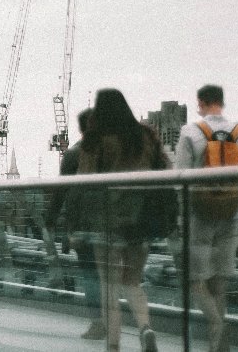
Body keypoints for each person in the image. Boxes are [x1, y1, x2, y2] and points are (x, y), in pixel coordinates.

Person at [58, 88, 172, 352]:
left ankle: (113, 345)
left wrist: (74, 226)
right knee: (132, 282)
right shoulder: (145, 137)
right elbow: (162, 173)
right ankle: (146, 328)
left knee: (109, 288)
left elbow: (83, 184)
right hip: (140, 224)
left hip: (105, 224)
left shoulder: (95, 140)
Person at [175, 85, 238, 352]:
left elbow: (180, 177)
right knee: (219, 282)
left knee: (195, 279)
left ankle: (217, 327)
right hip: (232, 212)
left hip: (199, 213)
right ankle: (218, 347)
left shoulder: (191, 132)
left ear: (201, 103)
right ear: (222, 102)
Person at [50, 109, 104, 340]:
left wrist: (50, 219)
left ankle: (98, 323)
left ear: (81, 128)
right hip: (111, 223)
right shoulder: (112, 154)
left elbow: (60, 191)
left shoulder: (72, 155)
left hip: (82, 225)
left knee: (90, 274)